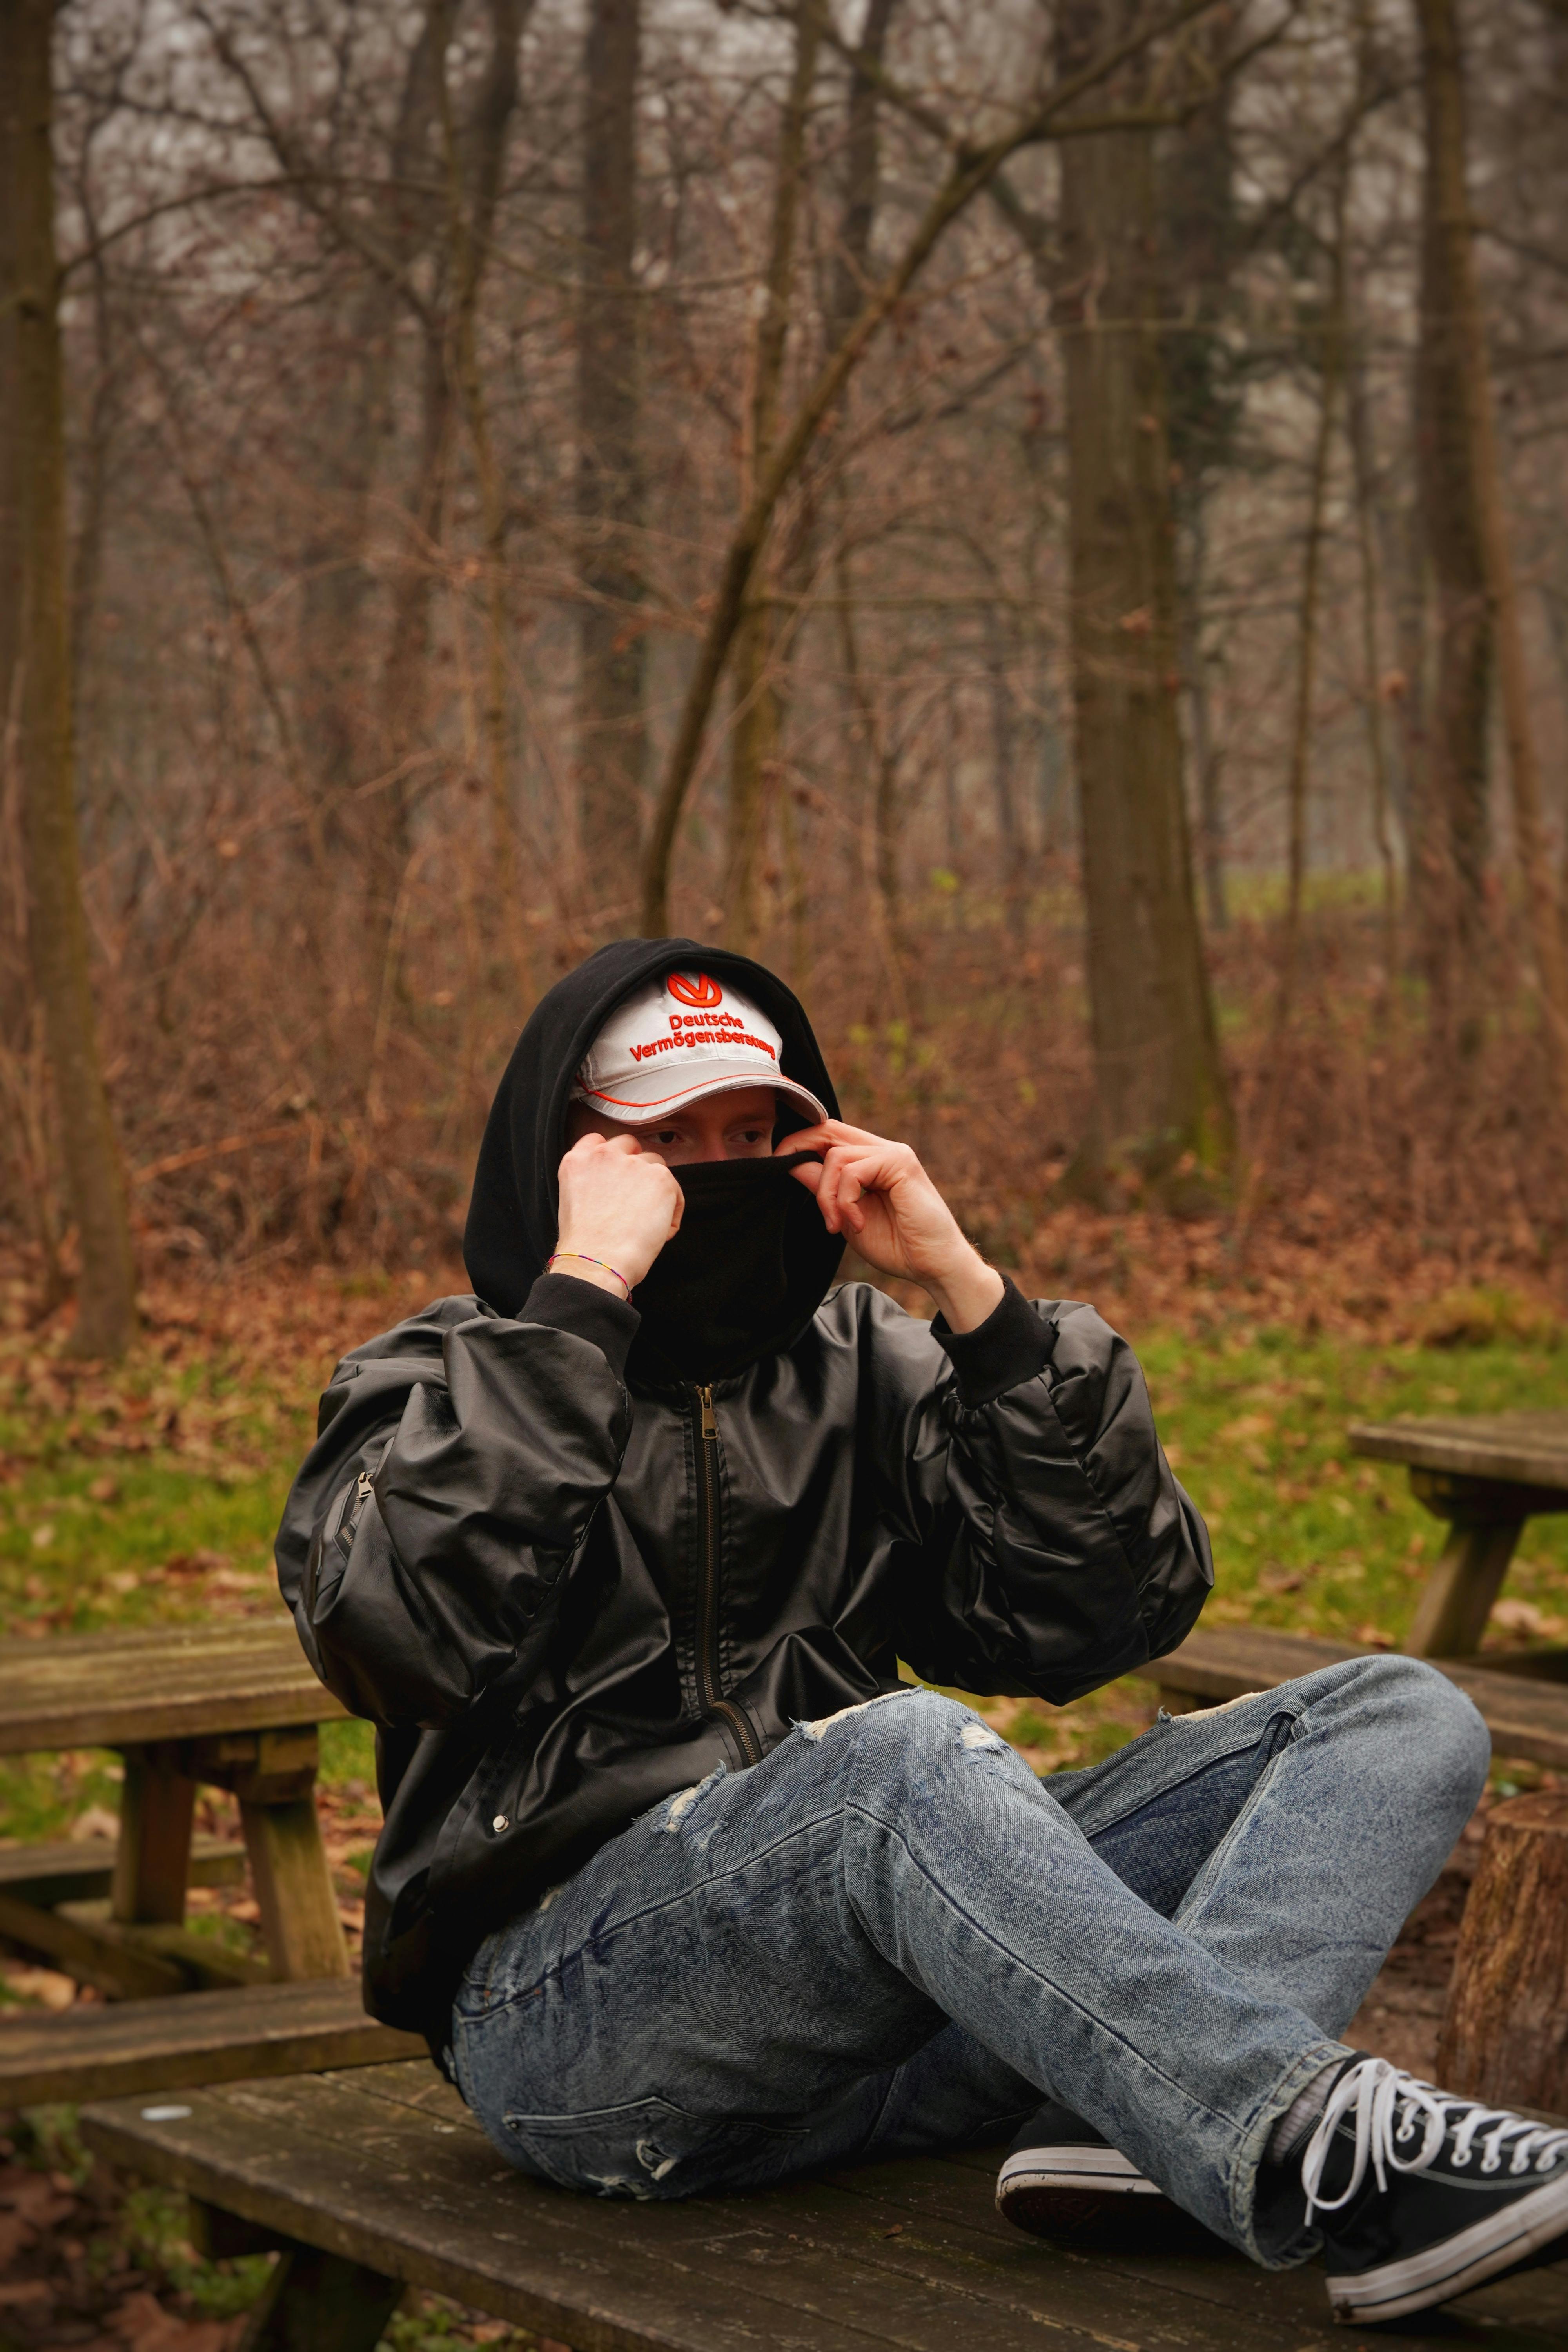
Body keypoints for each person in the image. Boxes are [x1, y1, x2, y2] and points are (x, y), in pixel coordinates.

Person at [276, 940, 1568, 2325]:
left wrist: (973, 1299)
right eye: (669, 1140)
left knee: (1397, 1713)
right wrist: (581, 1294)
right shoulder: (439, 1377)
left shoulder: (860, 1363)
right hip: (573, 2025)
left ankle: (1144, 2133)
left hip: (907, 2013)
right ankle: (1314, 2142)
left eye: (753, 1136)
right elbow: (400, 1641)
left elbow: (1096, 1620)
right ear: (570, 1156)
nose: (719, 1174)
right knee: (885, 1763)